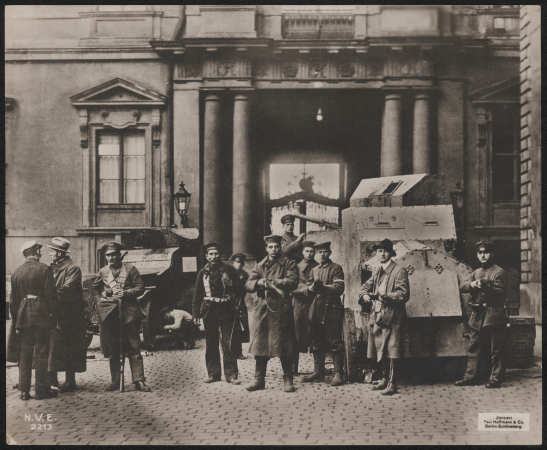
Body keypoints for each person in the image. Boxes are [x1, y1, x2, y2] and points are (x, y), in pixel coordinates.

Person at [91, 242, 151, 392]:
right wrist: (100, 302)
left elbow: (140, 287)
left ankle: (139, 380)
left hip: (129, 313)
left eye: (113, 254)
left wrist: (127, 293)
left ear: (119, 255)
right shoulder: (103, 272)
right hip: (110, 314)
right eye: (108, 255)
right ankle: (115, 381)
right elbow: (95, 289)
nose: (110, 258)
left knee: (134, 347)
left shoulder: (130, 269)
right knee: (114, 349)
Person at [245, 235, 299, 393]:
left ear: (281, 247)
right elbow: (248, 284)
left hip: (281, 310)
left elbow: (293, 281)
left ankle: (288, 380)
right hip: (263, 309)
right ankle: (259, 380)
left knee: (285, 345)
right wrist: (258, 283)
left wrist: (273, 282)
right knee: (260, 345)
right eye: (271, 247)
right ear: (266, 248)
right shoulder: (260, 265)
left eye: (276, 247)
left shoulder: (289, 263)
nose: (274, 250)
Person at [7, 241, 58, 400]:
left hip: (23, 318)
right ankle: (41, 391)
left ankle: (24, 391)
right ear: (36, 252)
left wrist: (16, 322)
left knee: (25, 353)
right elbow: (51, 296)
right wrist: (54, 317)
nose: (41, 254)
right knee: (41, 353)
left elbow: (13, 302)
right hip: (41, 316)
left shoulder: (16, 272)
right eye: (39, 251)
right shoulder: (44, 269)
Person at [359, 238, 410, 396]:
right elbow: (365, 286)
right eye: (379, 251)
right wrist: (365, 295)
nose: (382, 254)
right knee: (379, 346)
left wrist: (384, 296)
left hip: (393, 315)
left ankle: (392, 383)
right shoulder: (377, 271)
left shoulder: (399, 270)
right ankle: (383, 379)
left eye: (385, 251)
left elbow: (403, 294)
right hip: (379, 314)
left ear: (391, 253)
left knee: (392, 348)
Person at [455, 240, 508, 389]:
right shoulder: (476, 272)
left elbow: (500, 292)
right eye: (480, 253)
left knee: (496, 349)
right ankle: (471, 377)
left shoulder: (499, 272)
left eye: (485, 252)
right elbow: (463, 285)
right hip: (478, 314)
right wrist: (473, 284)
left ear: (492, 254)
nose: (483, 255)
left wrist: (486, 286)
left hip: (493, 313)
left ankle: (495, 379)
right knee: (474, 347)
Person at [192, 243, 241, 385]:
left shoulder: (229, 270)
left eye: (216, 254)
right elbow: (197, 294)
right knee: (211, 343)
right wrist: (195, 315)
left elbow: (240, 290)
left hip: (227, 311)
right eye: (211, 254)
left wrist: (233, 294)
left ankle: (231, 375)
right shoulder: (202, 272)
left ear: (220, 255)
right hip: (209, 312)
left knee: (228, 343)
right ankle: (213, 374)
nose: (214, 257)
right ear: (207, 257)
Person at [302, 242, 345, 387]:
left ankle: (338, 374)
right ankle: (318, 371)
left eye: (325, 252)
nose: (322, 254)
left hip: (332, 310)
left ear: (330, 252)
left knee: (335, 343)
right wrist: (312, 287)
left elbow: (339, 288)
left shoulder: (336, 268)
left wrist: (323, 287)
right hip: (317, 310)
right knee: (316, 342)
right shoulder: (314, 270)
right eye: (319, 252)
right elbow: (307, 288)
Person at [47, 237, 87, 393]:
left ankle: (70, 382)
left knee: (71, 347)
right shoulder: (51, 267)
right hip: (56, 312)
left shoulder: (73, 268)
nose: (50, 254)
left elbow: (66, 290)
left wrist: (48, 296)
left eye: (51, 251)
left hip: (70, 316)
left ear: (58, 253)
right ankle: (53, 381)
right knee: (54, 347)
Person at [290, 240, 319, 375]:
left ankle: (318, 369)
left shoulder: (319, 267)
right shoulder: (295, 268)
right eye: (307, 251)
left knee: (317, 336)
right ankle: (293, 367)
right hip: (299, 306)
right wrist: (307, 289)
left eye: (312, 251)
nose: (309, 253)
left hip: (315, 304)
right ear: (302, 252)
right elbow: (291, 287)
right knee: (296, 335)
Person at [230, 253, 250, 360]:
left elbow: (243, 290)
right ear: (233, 263)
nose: (239, 264)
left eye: (241, 262)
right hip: (228, 303)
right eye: (237, 262)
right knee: (229, 327)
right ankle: (229, 351)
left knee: (240, 327)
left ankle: (238, 352)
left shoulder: (244, 275)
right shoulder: (228, 273)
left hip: (239, 302)